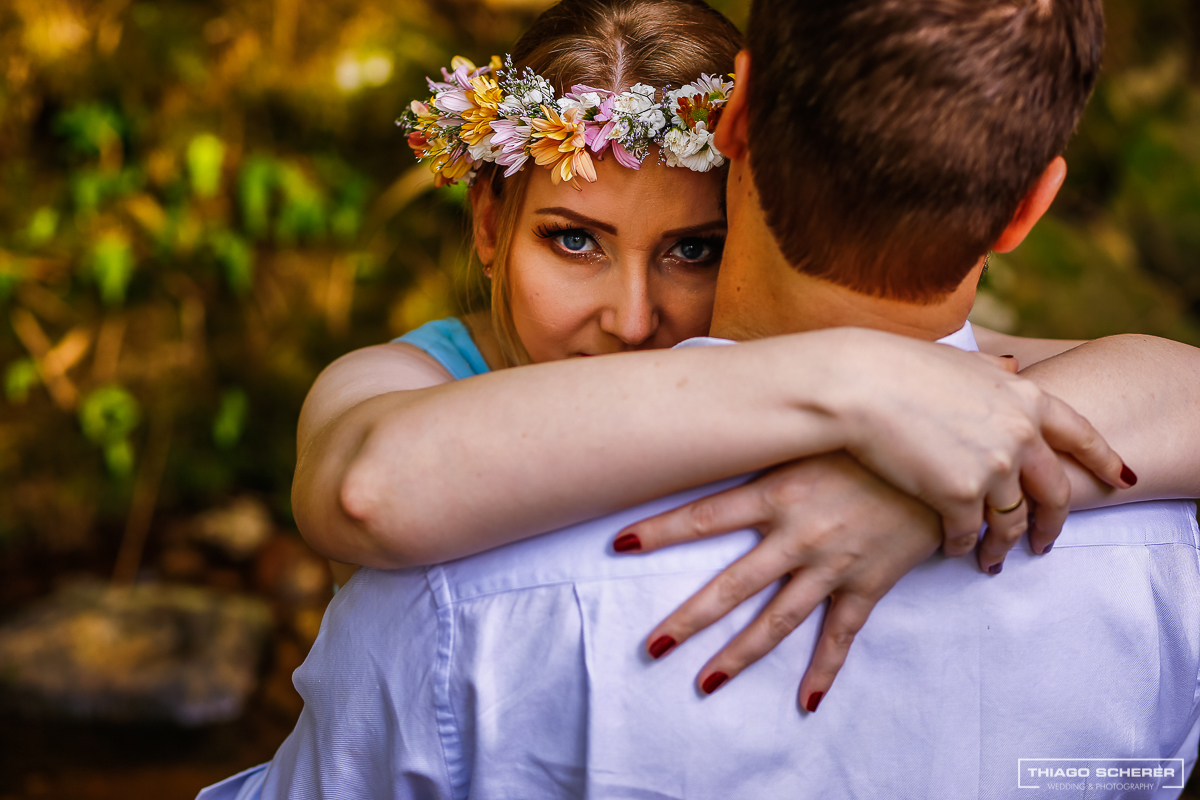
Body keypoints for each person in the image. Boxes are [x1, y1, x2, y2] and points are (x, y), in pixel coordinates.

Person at [198, 0, 1200, 797]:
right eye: (574, 239)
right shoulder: (406, 385)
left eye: (693, 249)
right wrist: (852, 380)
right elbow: (370, 483)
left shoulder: (914, 395)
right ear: (490, 224)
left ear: (744, 149)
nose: (632, 319)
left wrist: (893, 489)